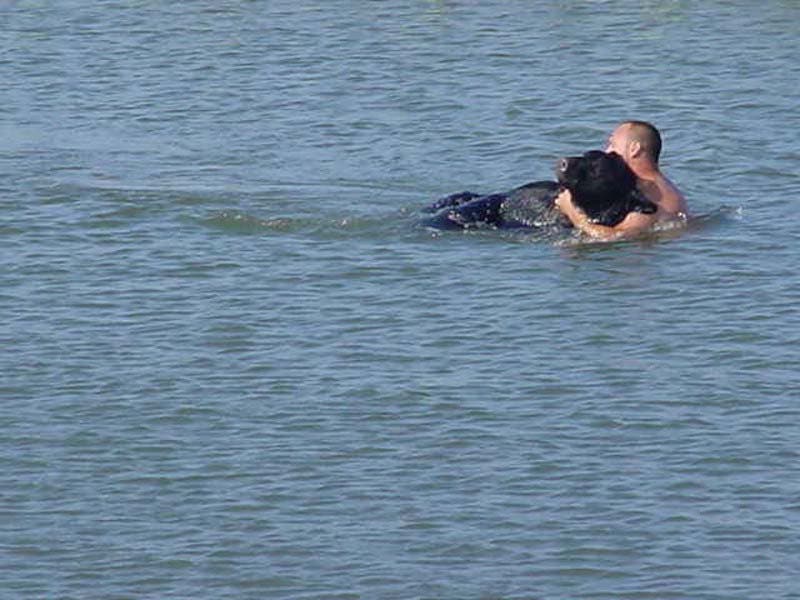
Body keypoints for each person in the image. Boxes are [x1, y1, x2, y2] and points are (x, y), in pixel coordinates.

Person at [555, 120, 688, 240]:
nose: (607, 152)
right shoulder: (657, 184)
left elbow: (615, 237)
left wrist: (572, 212)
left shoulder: (650, 195)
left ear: (634, 149)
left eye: (612, 145)